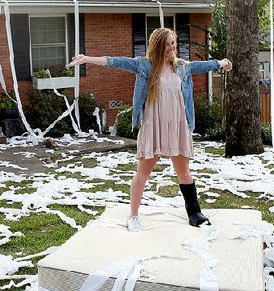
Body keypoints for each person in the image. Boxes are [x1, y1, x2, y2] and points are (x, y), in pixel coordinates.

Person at [67, 27, 233, 231]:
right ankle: (133, 215)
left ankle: (195, 213)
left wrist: (222, 63)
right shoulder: (145, 66)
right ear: (158, 47)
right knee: (142, 174)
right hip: (153, 125)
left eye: (173, 43)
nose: (172, 48)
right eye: (167, 44)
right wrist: (88, 59)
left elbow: (204, 65)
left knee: (184, 173)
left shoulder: (182, 67)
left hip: (177, 126)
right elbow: (116, 61)